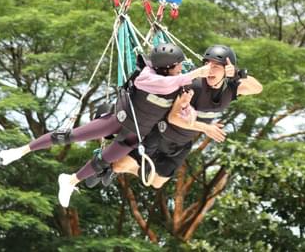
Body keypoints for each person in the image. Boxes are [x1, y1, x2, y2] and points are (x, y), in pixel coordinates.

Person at [0, 42, 210, 169]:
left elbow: (183, 111)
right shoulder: (148, 77)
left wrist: (188, 108)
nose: (182, 69)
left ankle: (72, 180)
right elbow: (164, 84)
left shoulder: (179, 84)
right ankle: (21, 150)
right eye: (179, 66)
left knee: (104, 161)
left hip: (136, 134)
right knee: (69, 136)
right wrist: (195, 74)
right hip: (120, 120)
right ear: (168, 67)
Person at [111, 45, 263, 188]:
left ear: (226, 70)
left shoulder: (230, 88)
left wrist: (236, 73)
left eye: (216, 67)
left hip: (182, 144)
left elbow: (257, 88)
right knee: (118, 167)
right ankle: (106, 163)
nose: (210, 70)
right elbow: (174, 118)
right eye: (208, 65)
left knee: (156, 183)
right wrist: (205, 128)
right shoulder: (193, 84)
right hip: (161, 135)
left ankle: (139, 168)